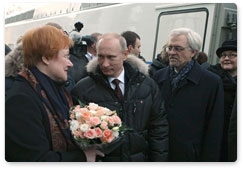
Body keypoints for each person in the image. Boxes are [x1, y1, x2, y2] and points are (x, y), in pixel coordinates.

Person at [5, 25, 104, 162]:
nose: (70, 63)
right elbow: (34, 160)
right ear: (46, 58)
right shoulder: (20, 101)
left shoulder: (53, 89)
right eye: (65, 56)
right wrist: (82, 158)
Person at [71, 32, 168, 162]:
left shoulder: (147, 86)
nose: (105, 64)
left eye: (111, 57)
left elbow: (159, 128)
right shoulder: (82, 89)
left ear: (125, 54)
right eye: (100, 57)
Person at [152, 28, 224, 162]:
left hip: (190, 157)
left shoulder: (211, 82)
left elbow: (214, 128)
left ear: (193, 52)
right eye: (170, 48)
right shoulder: (158, 77)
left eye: (178, 48)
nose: (172, 53)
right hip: (159, 154)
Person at [207, 40, 237, 161]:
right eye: (223, 55)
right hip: (216, 136)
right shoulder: (211, 79)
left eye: (232, 55)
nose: (226, 58)